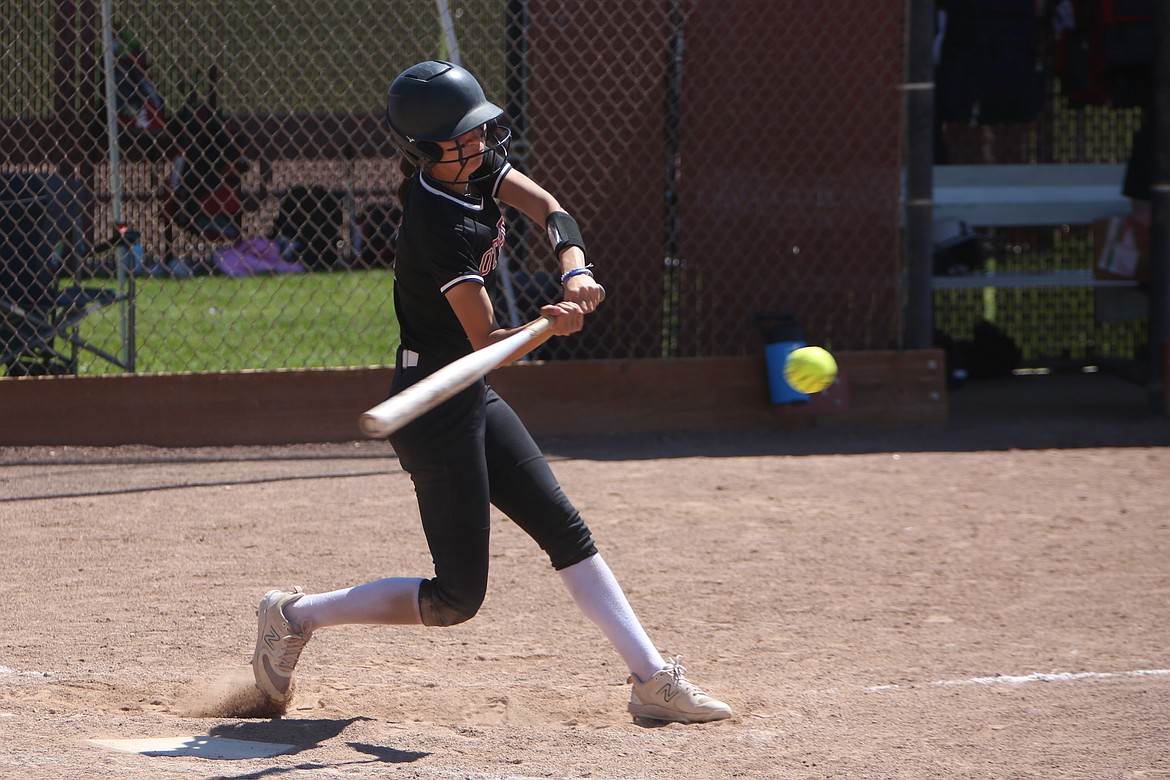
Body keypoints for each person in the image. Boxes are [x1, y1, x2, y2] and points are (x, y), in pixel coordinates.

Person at [250, 60, 731, 725]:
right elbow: (489, 342)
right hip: (432, 403)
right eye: (461, 137)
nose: (477, 145)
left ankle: (651, 679)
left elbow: (550, 208)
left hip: (469, 390)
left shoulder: (472, 170)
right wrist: (548, 325)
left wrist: (575, 267)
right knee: (456, 598)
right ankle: (293, 615)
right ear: (424, 150)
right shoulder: (436, 227)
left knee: (564, 528)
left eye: (477, 131)